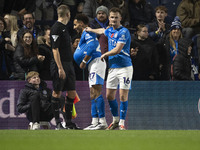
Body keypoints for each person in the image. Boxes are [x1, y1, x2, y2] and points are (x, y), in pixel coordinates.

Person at [86, 7, 133, 130]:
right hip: (112, 68)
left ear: (120, 18)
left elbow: (118, 49)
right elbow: (102, 30)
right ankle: (115, 120)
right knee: (109, 96)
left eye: (116, 17)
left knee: (123, 96)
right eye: (112, 17)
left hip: (125, 67)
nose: (113, 19)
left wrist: (105, 54)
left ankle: (122, 122)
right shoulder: (109, 30)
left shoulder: (124, 32)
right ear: (109, 18)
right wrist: (91, 29)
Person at [73, 14, 108, 130]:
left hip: (96, 62)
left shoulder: (87, 32)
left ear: (82, 23)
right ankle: (95, 122)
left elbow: (92, 46)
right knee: (93, 93)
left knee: (96, 91)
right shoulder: (85, 34)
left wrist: (83, 61)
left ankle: (102, 122)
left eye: (75, 24)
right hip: (93, 65)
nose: (74, 27)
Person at [50, 4, 80, 130]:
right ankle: (57, 123)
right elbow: (55, 49)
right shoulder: (56, 28)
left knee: (72, 93)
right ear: (68, 14)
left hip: (68, 64)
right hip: (60, 64)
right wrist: (60, 68)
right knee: (57, 92)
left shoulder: (64, 28)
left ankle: (68, 123)